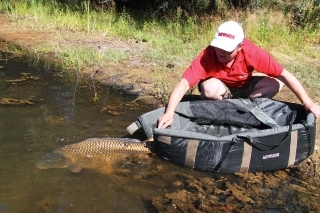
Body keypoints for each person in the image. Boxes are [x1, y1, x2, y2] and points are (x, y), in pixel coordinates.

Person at [158, 20, 320, 129]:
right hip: (222, 89)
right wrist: (169, 112)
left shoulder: (252, 52)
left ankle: (245, 108)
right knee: (209, 88)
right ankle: (227, 109)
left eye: (226, 49)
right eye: (218, 47)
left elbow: (285, 74)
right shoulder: (208, 55)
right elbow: (184, 83)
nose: (220, 53)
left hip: (245, 87)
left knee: (276, 82)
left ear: (240, 46)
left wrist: (308, 103)